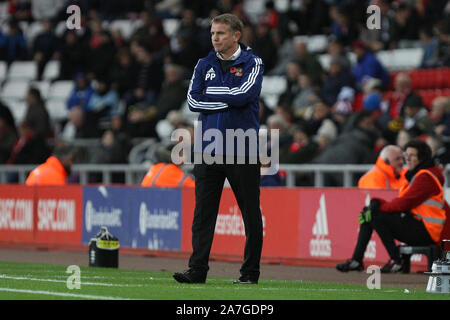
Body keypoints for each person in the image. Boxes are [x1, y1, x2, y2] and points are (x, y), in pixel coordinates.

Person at [173, 13, 264, 285]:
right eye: (213, 33)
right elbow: (192, 101)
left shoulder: (253, 62)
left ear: (237, 35)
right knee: (203, 214)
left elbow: (245, 95)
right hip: (208, 149)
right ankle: (197, 270)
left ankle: (249, 273)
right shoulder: (204, 63)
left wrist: (210, 95)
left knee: (250, 213)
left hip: (243, 149)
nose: (215, 38)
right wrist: (225, 99)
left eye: (221, 33)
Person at [337, 139, 447, 273]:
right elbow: (404, 203)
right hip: (420, 225)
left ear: (421, 158)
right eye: (406, 155)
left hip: (426, 231)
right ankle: (357, 260)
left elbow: (404, 204)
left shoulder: (425, 177)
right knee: (370, 212)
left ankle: (395, 259)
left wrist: (377, 207)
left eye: (411, 156)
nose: (407, 159)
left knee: (374, 213)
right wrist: (374, 207)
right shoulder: (420, 175)